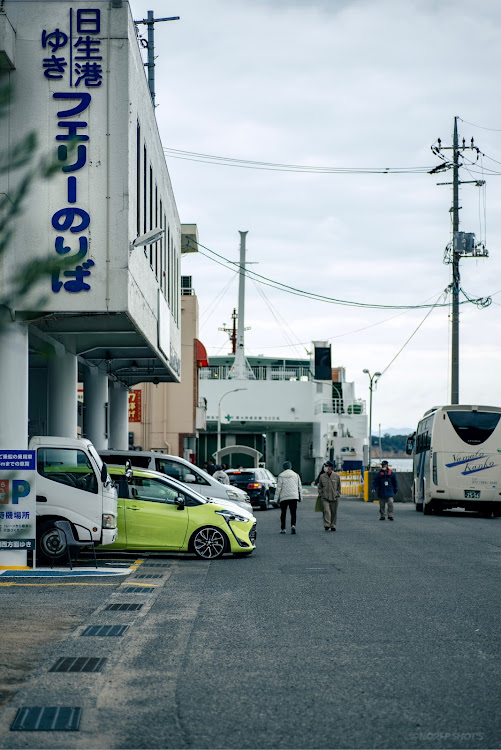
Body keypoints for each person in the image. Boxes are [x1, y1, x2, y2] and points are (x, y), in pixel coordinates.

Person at [275, 461, 302, 535]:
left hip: (284, 497)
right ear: (290, 467)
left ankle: (283, 528)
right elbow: (299, 487)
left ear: (283, 468)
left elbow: (278, 488)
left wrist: (275, 499)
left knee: (283, 513)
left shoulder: (281, 475)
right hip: (294, 496)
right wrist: (300, 497)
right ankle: (293, 525)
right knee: (293, 513)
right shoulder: (296, 475)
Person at [318, 460, 341, 531]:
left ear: (330, 467)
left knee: (334, 512)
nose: (325, 467)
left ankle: (333, 525)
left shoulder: (336, 476)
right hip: (325, 497)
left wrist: (338, 494)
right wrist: (321, 494)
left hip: (334, 497)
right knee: (327, 511)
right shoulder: (322, 476)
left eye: (326, 466)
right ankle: (327, 524)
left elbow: (339, 486)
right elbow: (320, 487)